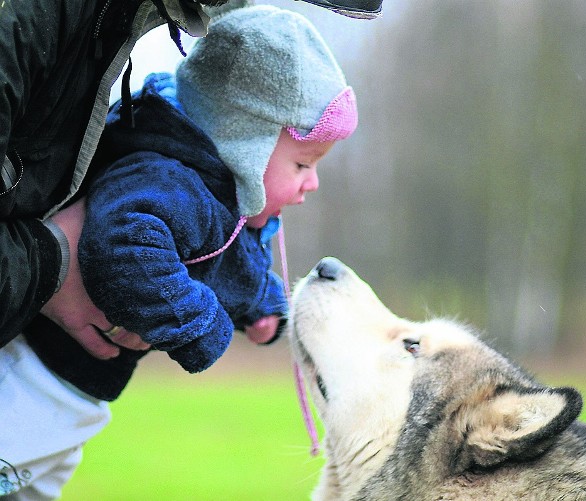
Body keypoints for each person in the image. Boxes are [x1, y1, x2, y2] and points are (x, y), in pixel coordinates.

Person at [0, 4, 358, 498]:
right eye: (302, 164)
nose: (311, 183)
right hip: (34, 378)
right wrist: (200, 324)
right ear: (244, 138)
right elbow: (123, 247)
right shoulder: (169, 181)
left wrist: (262, 310)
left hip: (77, 390)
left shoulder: (217, 194)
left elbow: (229, 262)